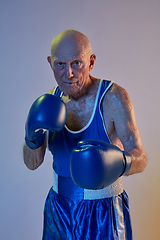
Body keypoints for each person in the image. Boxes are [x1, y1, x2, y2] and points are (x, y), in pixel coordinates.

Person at [23, 29, 147, 240]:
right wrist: (31, 134)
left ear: (91, 62)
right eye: (60, 64)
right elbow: (32, 163)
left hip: (103, 211)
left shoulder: (113, 98)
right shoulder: (49, 102)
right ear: (50, 63)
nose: (68, 74)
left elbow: (141, 159)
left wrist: (118, 162)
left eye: (76, 63)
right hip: (59, 209)